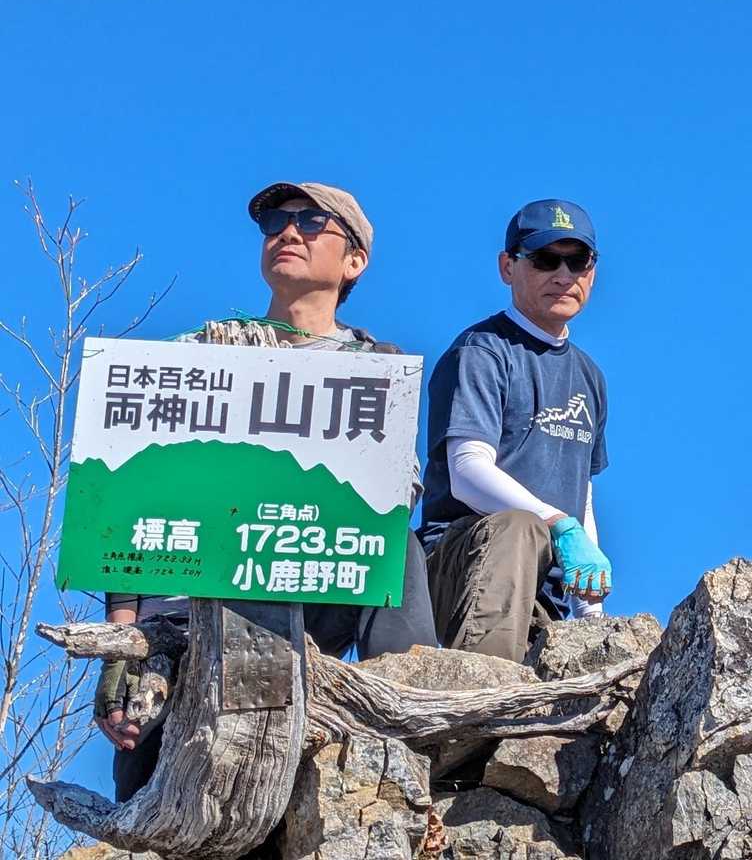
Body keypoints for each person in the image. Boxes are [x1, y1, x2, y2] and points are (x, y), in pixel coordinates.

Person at [95, 180, 437, 801]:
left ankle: (406, 717)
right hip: (192, 607)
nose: (288, 232)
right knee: (147, 788)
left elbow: (392, 497)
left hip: (309, 586)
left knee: (399, 545)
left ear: (355, 260)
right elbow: (132, 496)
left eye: (312, 222)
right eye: (276, 221)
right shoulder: (199, 354)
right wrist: (123, 638)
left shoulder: (376, 367)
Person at [418, 199, 611, 663]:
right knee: (522, 527)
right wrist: (558, 524)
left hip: (545, 590)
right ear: (508, 267)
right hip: (463, 566)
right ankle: (482, 689)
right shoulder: (482, 351)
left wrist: (591, 611)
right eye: (545, 259)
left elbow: (581, 493)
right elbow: (467, 471)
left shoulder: (590, 375)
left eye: (577, 261)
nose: (563, 275)